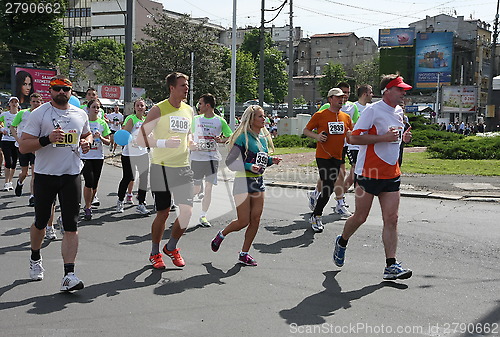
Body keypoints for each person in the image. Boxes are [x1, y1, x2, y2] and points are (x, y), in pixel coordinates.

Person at [332, 74, 413, 280]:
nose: (404, 93)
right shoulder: (372, 110)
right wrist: (382, 138)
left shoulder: (399, 112)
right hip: (369, 172)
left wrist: (403, 138)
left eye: (404, 90)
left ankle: (391, 265)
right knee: (360, 217)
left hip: (391, 174)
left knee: (392, 219)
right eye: (400, 89)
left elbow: (393, 140)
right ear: (387, 91)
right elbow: (354, 137)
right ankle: (342, 241)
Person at [19, 75, 92, 291]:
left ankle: (69, 275)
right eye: (57, 88)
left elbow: (86, 135)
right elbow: (23, 146)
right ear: (50, 91)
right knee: (41, 222)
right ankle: (35, 257)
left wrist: (87, 143)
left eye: (65, 89)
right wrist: (47, 139)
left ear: (71, 92)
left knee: (71, 226)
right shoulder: (39, 114)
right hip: (45, 176)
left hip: (71, 175)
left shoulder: (80, 114)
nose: (61, 92)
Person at [210, 105, 282, 266]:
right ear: (251, 119)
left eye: (264, 116)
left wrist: (272, 161)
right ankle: (221, 235)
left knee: (255, 219)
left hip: (259, 182)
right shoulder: (243, 137)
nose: (264, 119)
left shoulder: (263, 137)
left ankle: (244, 253)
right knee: (243, 221)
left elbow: (261, 161)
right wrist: (249, 167)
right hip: (243, 182)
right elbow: (230, 162)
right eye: (260, 116)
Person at [137, 72, 195, 269]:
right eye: (182, 85)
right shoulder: (158, 110)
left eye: (187, 85)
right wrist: (163, 142)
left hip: (183, 166)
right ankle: (155, 252)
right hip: (161, 167)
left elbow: (187, 136)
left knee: (186, 213)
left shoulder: (189, 110)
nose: (186, 88)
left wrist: (192, 143)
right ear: (172, 88)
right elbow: (140, 138)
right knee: (163, 213)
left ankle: (171, 247)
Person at [303, 88, 353, 233]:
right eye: (338, 97)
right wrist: (317, 137)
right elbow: (306, 130)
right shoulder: (320, 115)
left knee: (329, 187)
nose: (341, 100)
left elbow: (350, 134)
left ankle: (315, 209)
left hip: (337, 156)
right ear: (330, 99)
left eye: (343, 98)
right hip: (323, 156)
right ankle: (316, 215)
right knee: (328, 185)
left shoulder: (346, 117)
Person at [191, 93, 233, 227]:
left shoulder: (220, 121)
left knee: (208, 188)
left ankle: (203, 216)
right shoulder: (196, 119)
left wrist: (222, 140)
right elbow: (189, 136)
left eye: (201, 104)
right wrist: (191, 143)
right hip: (197, 158)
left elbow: (231, 136)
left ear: (207, 105)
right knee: (196, 188)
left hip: (212, 159)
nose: (199, 106)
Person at [116, 98, 150, 215]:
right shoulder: (131, 118)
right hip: (129, 154)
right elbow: (124, 135)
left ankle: (141, 203)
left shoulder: (146, 120)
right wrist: (133, 141)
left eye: (142, 105)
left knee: (144, 178)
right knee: (128, 177)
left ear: (145, 107)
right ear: (134, 108)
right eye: (138, 105)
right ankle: (120, 200)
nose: (140, 107)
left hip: (143, 153)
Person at [10, 93, 43, 206]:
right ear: (30, 102)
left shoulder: (42, 114)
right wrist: (18, 140)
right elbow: (12, 126)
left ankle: (32, 196)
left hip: (36, 147)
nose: (35, 104)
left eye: (37, 102)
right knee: (24, 173)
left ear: (41, 102)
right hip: (23, 146)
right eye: (33, 101)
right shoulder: (22, 113)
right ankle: (20, 182)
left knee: (35, 173)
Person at [81, 98, 111, 220]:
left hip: (98, 156)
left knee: (94, 184)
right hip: (85, 156)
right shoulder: (84, 122)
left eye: (98, 107)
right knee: (89, 181)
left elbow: (109, 142)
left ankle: (89, 204)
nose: (96, 109)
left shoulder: (102, 123)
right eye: (93, 107)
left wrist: (100, 138)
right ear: (88, 109)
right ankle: (88, 207)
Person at [343, 84, 374, 195]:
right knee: (354, 173)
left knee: (358, 174)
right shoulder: (353, 107)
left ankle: (340, 196)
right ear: (365, 94)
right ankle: (340, 197)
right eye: (371, 92)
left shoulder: (372, 108)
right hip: (353, 145)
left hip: (365, 146)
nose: (372, 95)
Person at [0, 97, 20, 191]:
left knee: (14, 163)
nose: (14, 104)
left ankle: (10, 181)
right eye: (12, 102)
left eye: (16, 102)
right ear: (9, 104)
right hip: (6, 140)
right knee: (9, 161)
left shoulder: (20, 115)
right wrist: (2, 129)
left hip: (16, 141)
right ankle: (6, 182)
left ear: (18, 104)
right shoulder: (4, 114)